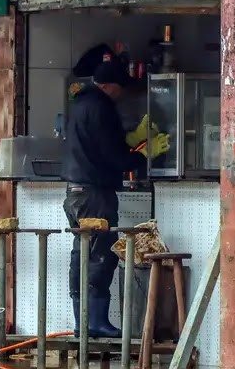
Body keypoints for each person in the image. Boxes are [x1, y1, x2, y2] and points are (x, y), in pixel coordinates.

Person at [61, 58, 170, 338]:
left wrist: (131, 140)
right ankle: (94, 323)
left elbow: (98, 145)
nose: (121, 94)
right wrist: (139, 155)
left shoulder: (81, 103)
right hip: (95, 194)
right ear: (109, 86)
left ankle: (83, 323)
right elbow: (111, 155)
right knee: (100, 255)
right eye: (120, 88)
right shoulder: (101, 106)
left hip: (75, 193)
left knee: (82, 254)